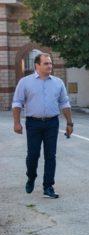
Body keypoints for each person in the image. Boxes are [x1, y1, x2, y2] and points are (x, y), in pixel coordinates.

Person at [12, 52, 73, 199]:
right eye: (46, 63)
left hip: (52, 122)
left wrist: (69, 123)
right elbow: (17, 103)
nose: (50, 66)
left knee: (50, 155)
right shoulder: (25, 82)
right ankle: (31, 176)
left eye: (50, 63)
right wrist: (16, 123)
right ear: (37, 65)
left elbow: (65, 103)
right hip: (33, 123)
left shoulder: (58, 83)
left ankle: (48, 186)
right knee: (33, 155)